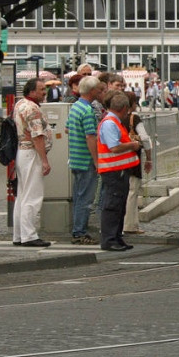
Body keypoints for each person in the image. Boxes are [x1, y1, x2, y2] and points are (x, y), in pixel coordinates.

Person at [97, 92, 142, 251]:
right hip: (113, 170)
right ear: (124, 108)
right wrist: (133, 145)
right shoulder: (110, 123)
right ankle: (109, 239)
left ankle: (116, 237)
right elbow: (114, 147)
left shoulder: (114, 121)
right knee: (113, 205)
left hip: (119, 170)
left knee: (119, 205)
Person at [12, 78, 53, 248]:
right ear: (31, 92)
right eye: (41, 89)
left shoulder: (20, 104)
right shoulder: (33, 109)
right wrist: (44, 160)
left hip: (23, 152)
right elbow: (37, 135)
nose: (45, 92)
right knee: (32, 196)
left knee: (22, 196)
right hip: (32, 153)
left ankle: (19, 234)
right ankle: (29, 235)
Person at [67, 75, 104, 245]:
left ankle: (78, 229)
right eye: (98, 89)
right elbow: (90, 137)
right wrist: (96, 161)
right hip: (85, 159)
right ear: (91, 91)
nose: (100, 91)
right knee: (86, 198)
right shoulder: (88, 110)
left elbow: (67, 128)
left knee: (78, 196)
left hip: (75, 158)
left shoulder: (75, 107)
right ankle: (80, 232)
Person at [123, 91, 153, 235]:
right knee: (132, 193)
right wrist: (149, 158)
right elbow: (145, 139)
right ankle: (130, 225)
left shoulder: (115, 118)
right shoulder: (134, 118)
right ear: (132, 104)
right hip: (132, 160)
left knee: (122, 193)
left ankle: (124, 224)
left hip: (116, 161)